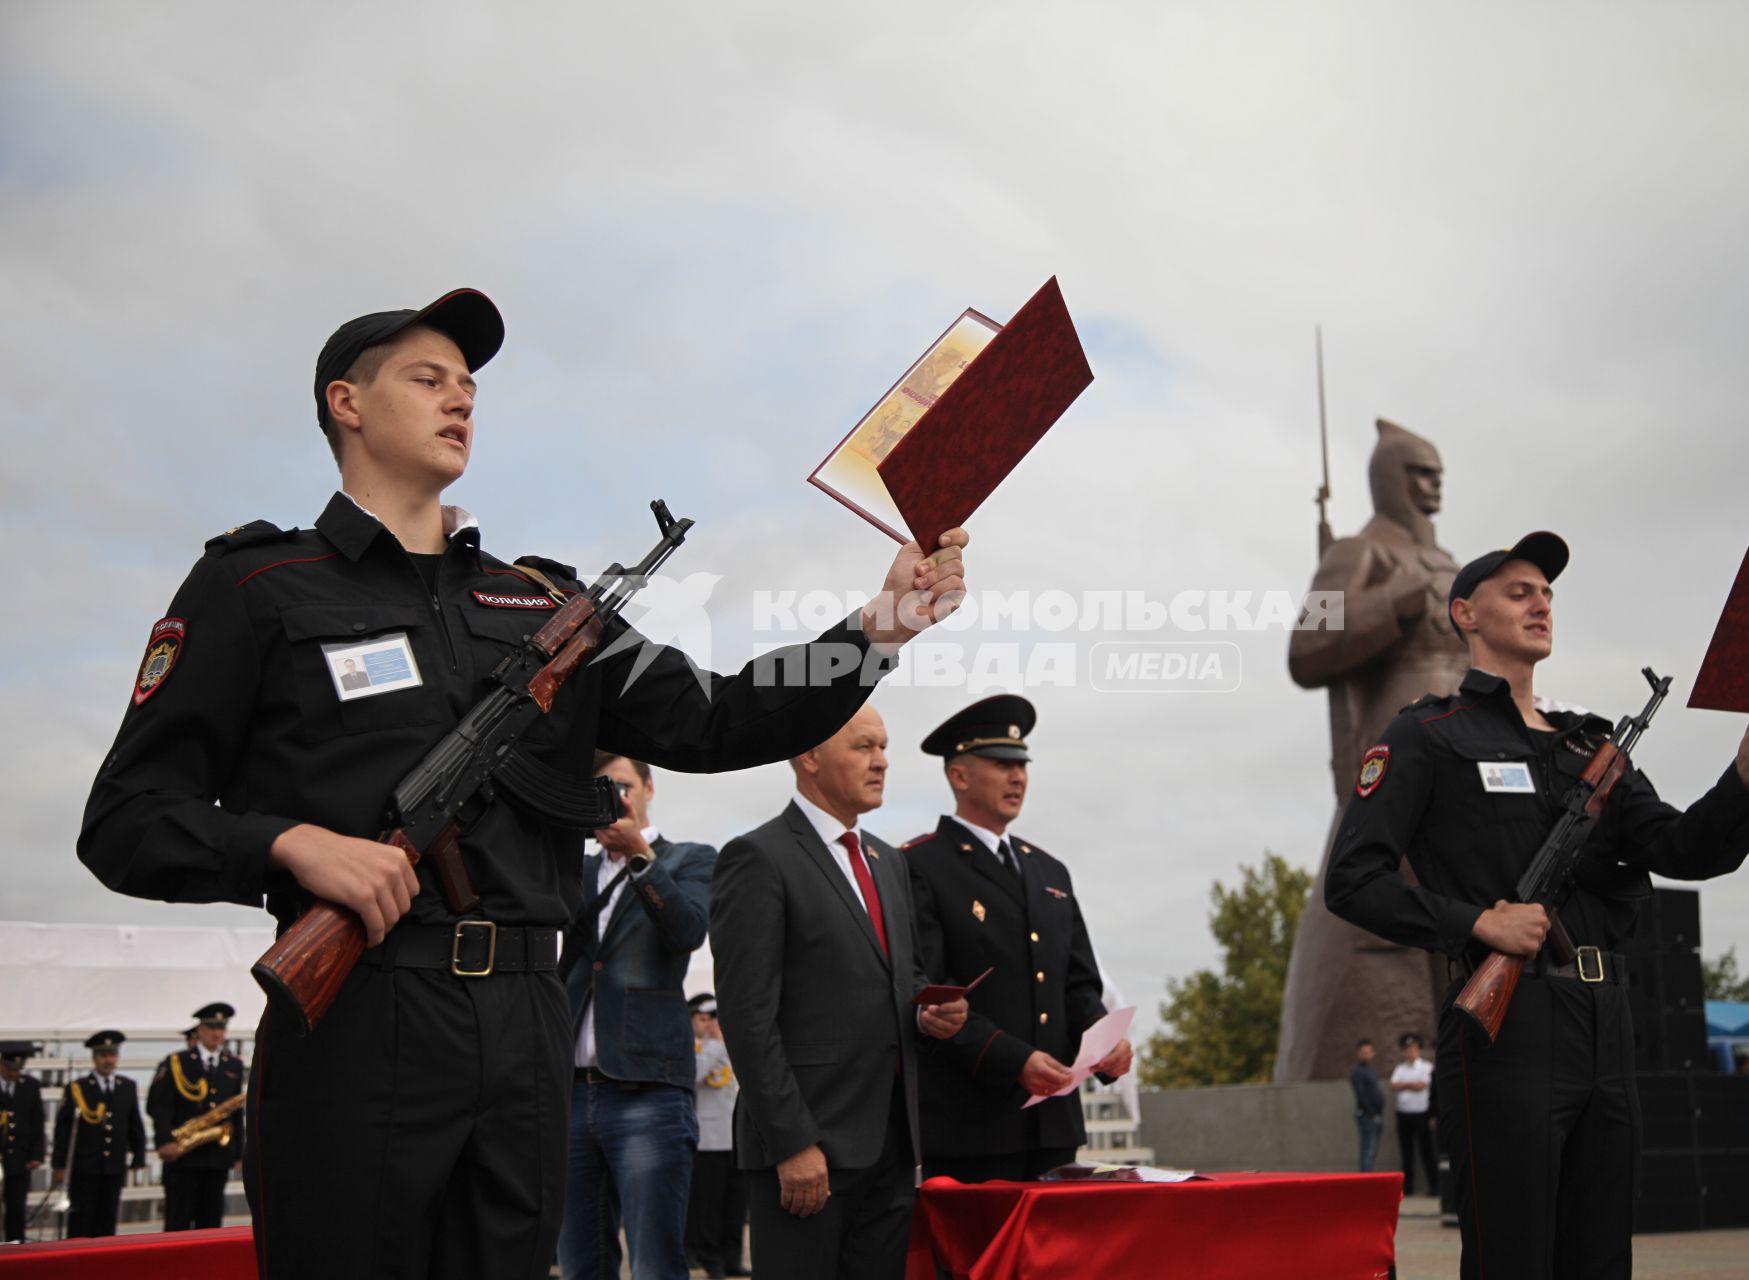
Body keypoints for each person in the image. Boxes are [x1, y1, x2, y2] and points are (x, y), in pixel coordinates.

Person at [76, 288, 972, 1280]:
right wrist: (290, 844)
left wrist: (879, 626)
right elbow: (125, 819)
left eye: (469, 385)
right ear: (348, 402)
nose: (460, 398)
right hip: (360, 1007)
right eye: (427, 379)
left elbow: (717, 715)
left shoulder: (544, 603)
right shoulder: (256, 587)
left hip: (527, 1014)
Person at [1325, 530, 1749, 1279]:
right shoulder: (1428, 734)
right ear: (1466, 614)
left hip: (1605, 1023)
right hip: (1506, 1028)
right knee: (1512, 1257)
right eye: (1518, 591)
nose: (1540, 602)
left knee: (1600, 1257)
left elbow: (1686, 851)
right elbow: (1353, 879)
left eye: (1547, 593)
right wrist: (1477, 922)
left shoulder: (1591, 747)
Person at [709, 704, 969, 1280]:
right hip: (808, 1153)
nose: (881, 762)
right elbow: (748, 1017)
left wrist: (930, 1013)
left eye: (883, 748)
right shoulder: (758, 858)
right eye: (863, 747)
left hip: (892, 1147)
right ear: (809, 755)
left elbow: (906, 980)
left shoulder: (888, 862)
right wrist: (792, 1143)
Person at [1277, 419, 1468, 1083]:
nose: (1432, 483)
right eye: (1418, 470)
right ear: (1388, 479)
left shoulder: (1459, 568)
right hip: (1393, 770)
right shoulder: (1361, 554)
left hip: (1468, 770)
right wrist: (1393, 600)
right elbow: (1307, 648)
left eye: (1437, 470)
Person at [900, 694, 1131, 1182]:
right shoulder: (921, 866)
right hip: (972, 1127)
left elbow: (1078, 983)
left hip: (1054, 1126)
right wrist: (1015, 1060)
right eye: (1002, 764)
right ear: (958, 776)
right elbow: (932, 995)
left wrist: (1103, 1040)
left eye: (1022, 764)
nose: (1018, 776)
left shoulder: (1049, 871)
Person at [560, 753, 715, 1280]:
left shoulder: (688, 859)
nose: (614, 799)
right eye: (600, 789)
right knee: (581, 1260)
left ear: (649, 788)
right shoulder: (570, 870)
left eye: (622, 786)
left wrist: (639, 857)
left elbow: (687, 931)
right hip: (572, 1090)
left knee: (654, 1261)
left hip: (649, 1088)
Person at [148, 1002, 246, 1231]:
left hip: (216, 1156)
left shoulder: (233, 1065)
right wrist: (164, 1140)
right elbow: (159, 1105)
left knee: (211, 1222)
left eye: (221, 1028)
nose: (216, 1033)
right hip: (183, 1156)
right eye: (211, 1027)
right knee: (178, 1222)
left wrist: (238, 1152)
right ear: (199, 1030)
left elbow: (235, 1111)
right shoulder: (176, 1062)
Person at [52, 1031, 145, 1238]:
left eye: (112, 1055)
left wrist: (139, 1156)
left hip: (113, 1166)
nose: (108, 1060)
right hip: (85, 1167)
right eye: (103, 1056)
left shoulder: (127, 1087)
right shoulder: (78, 1088)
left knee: (107, 1220)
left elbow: (134, 1124)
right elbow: (63, 1130)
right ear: (95, 1058)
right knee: (81, 1221)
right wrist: (59, 1165)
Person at [686, 994, 749, 1280]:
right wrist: (713, 1043)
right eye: (707, 1018)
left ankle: (732, 1256)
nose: (713, 1024)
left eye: (716, 1018)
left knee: (735, 1206)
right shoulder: (696, 1048)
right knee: (709, 1207)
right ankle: (710, 1259)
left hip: (734, 1138)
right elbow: (695, 1076)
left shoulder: (732, 1045)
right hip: (708, 1141)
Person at [0, 1041, 47, 1243]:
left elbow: (37, 1122)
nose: (14, 1074)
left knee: (16, 1208)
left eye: (18, 1069)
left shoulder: (30, 1086)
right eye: (10, 1069)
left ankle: (15, 1248)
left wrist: (37, 1154)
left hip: (19, 1159)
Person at [1390, 1032, 1439, 1195]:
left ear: (1418, 1050)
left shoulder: (1426, 1067)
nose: (1410, 1053)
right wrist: (1411, 1084)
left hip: (1422, 1114)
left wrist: (1405, 1085)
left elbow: (1423, 1085)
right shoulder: (1399, 1068)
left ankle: (1434, 1187)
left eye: (1413, 1049)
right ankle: (1407, 1188)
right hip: (1404, 1114)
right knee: (1406, 1152)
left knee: (1426, 1151)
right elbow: (1394, 1085)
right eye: (1407, 1050)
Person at [1348, 1039, 1385, 1172]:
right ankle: (1366, 1180)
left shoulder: (1371, 1069)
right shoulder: (1357, 1072)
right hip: (1367, 1115)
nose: (1366, 1055)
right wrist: (1372, 1113)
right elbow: (1362, 1095)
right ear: (1358, 1054)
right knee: (1367, 1150)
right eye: (1363, 1052)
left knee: (1372, 1151)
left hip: (1376, 1114)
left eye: (1369, 1052)